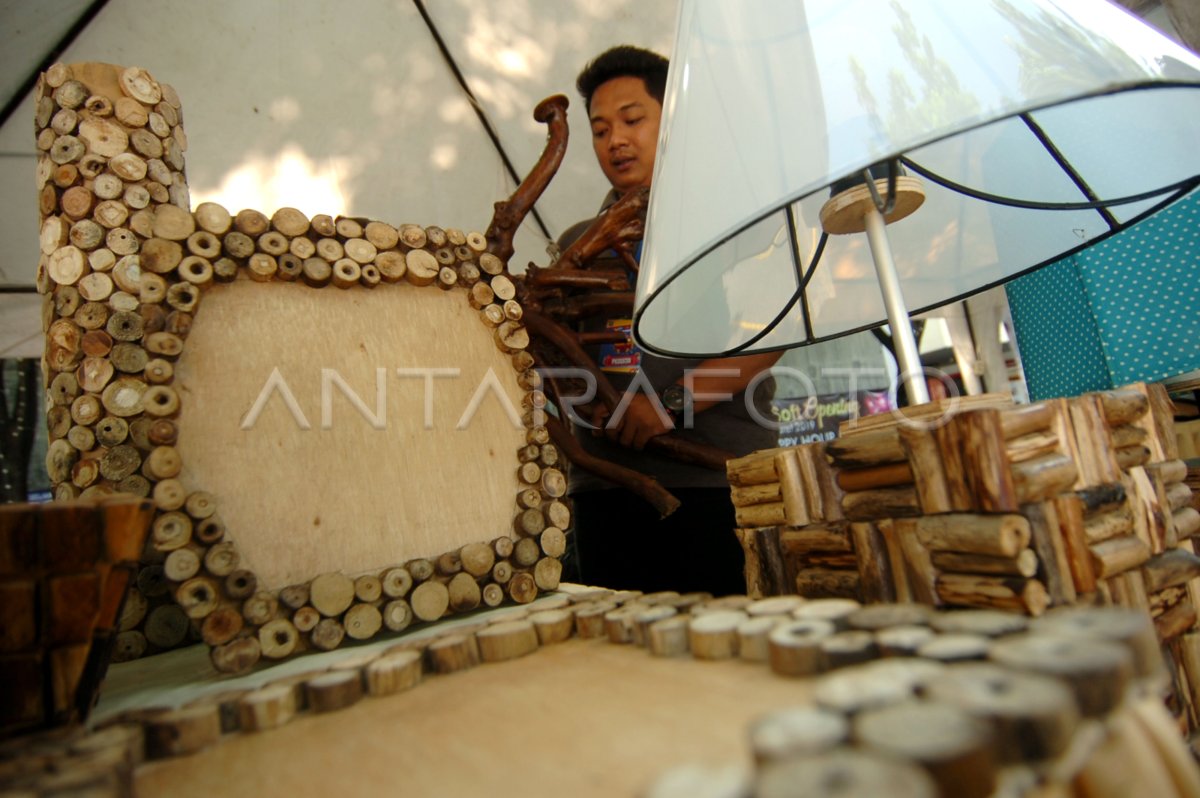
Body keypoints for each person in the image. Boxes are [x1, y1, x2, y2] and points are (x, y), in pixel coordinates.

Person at [556, 45, 782, 596]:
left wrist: (667, 405)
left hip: (716, 480)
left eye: (633, 120)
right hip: (604, 487)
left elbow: (774, 329)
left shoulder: (735, 224)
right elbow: (559, 358)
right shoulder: (573, 245)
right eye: (600, 129)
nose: (616, 140)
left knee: (729, 653)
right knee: (627, 661)